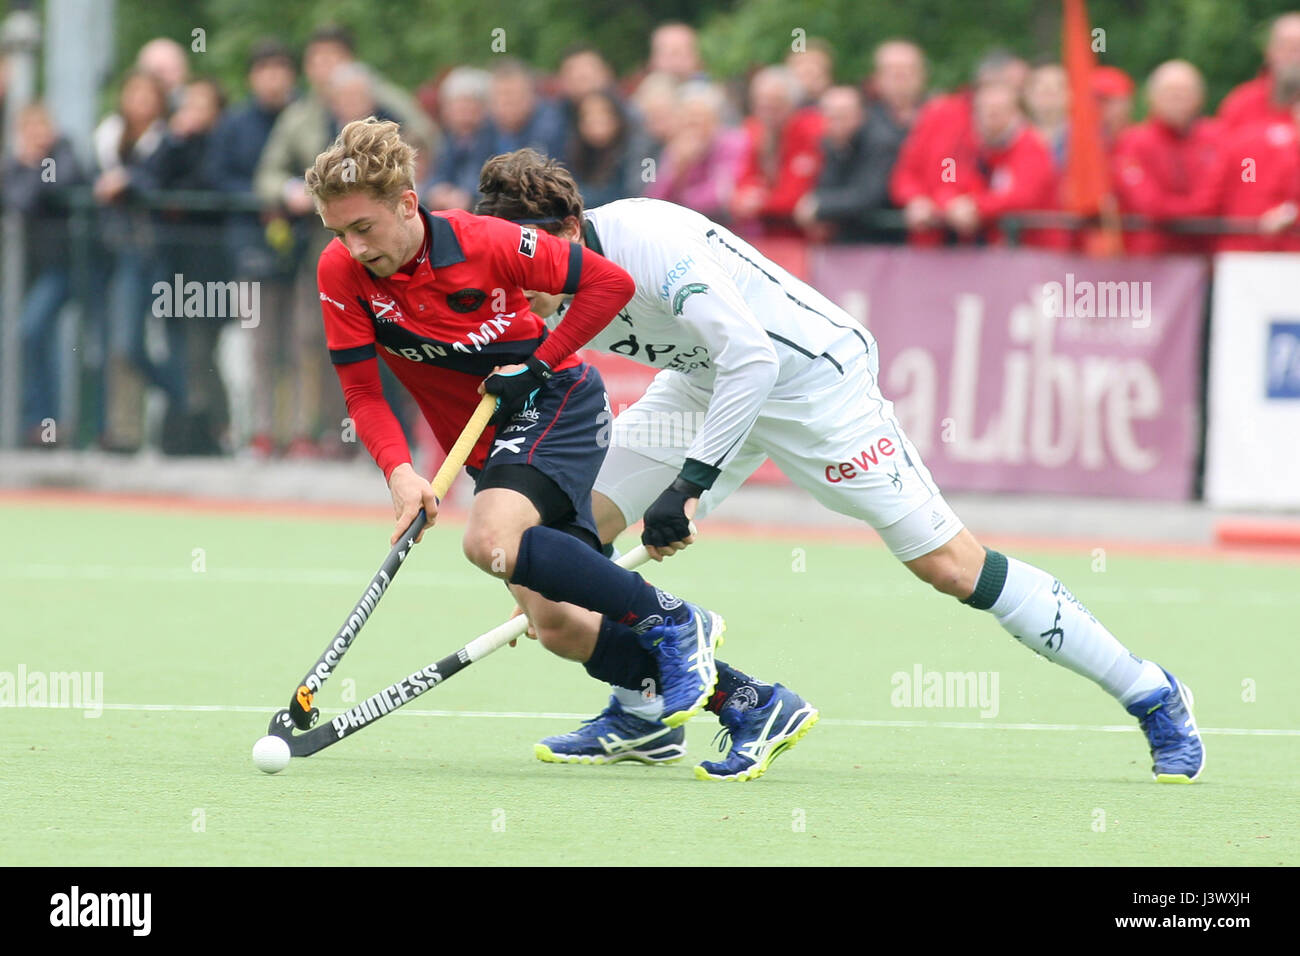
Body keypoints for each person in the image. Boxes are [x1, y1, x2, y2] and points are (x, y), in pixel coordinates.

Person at [474, 148, 1204, 784]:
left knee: (952, 566)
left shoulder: (652, 241)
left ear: (570, 232)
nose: (525, 283)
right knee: (567, 545)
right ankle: (645, 717)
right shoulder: (538, 269)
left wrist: (689, 486)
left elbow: (752, 359)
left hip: (812, 386)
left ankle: (1150, 692)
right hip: (699, 388)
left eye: (532, 260)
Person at [306, 117, 727, 745]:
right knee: (555, 621)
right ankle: (715, 703)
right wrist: (400, 472)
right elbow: (363, 392)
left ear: (406, 204)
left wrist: (537, 363)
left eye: (364, 227)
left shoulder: (487, 242)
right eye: (339, 232)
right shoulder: (342, 271)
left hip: (557, 405)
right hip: (486, 445)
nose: (356, 247)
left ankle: (673, 619)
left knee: (488, 539)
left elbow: (609, 284)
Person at [1112, 61, 1221, 254]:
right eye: (1170, 91)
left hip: (1204, 258)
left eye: (1185, 91)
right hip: (1150, 259)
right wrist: (1194, 211)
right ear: (1151, 98)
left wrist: (1183, 211)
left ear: (1200, 98)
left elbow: (1216, 198)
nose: (1177, 98)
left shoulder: (1216, 139)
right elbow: (1147, 203)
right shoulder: (1133, 142)